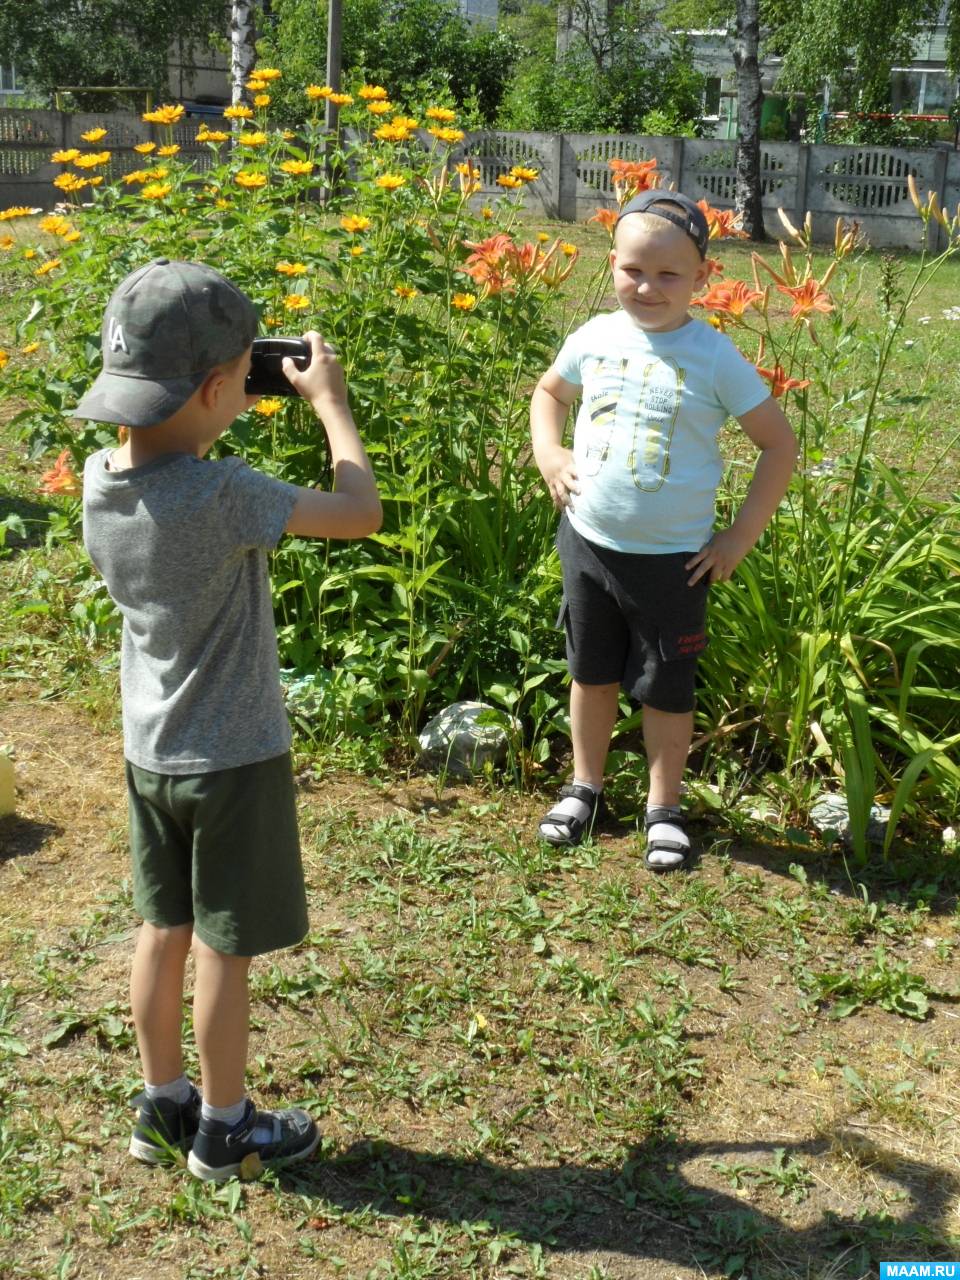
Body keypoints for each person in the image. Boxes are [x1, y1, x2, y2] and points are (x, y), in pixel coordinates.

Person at [75, 258, 382, 1179]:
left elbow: (159, 445)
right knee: (223, 948)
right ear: (216, 389)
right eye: (244, 377)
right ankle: (226, 1125)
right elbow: (360, 512)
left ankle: (161, 1104)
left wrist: (211, 403)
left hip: (151, 752)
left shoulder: (98, 479)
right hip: (234, 760)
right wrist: (330, 405)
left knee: (161, 929)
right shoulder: (226, 494)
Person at [530, 190, 796, 871]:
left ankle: (663, 808)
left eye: (668, 274)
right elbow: (550, 393)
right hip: (588, 543)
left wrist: (737, 538)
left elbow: (778, 446)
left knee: (667, 688)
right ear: (612, 265)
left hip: (674, 563)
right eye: (633, 270)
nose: (647, 287)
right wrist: (550, 453)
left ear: (702, 276)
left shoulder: (714, 356)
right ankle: (584, 788)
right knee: (590, 674)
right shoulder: (594, 337)